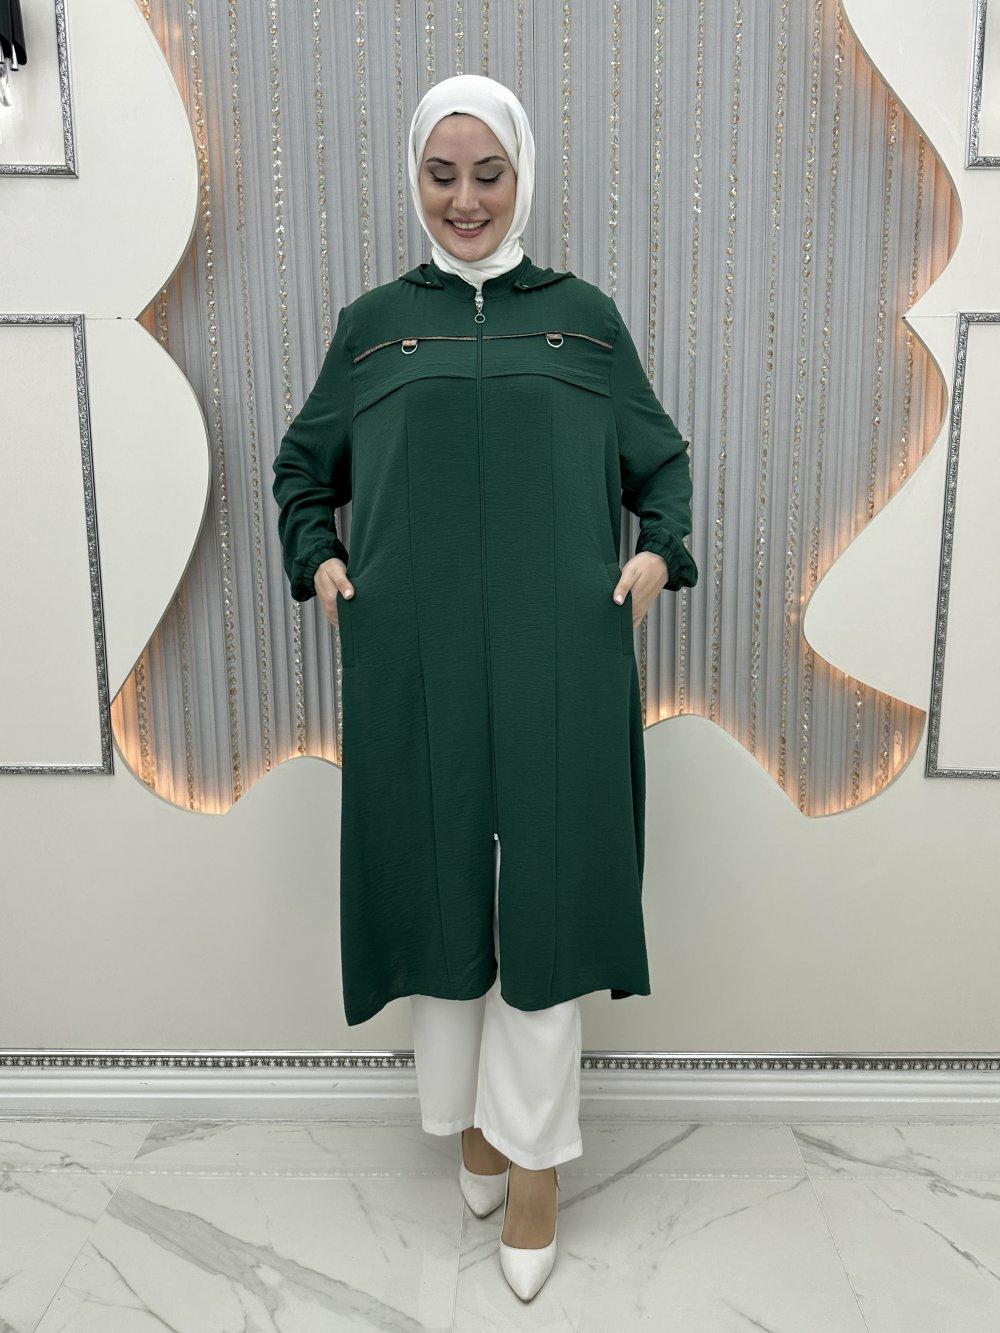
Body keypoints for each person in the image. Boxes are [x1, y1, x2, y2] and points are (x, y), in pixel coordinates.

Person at [271, 73, 698, 1301]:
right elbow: (303, 467)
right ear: (416, 178)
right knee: (435, 876)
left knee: (549, 894)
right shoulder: (373, 325)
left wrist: (658, 553)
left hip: (564, 646)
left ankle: (535, 1160)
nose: (465, 199)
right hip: (413, 652)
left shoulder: (582, 319)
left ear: (521, 176)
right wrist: (321, 559)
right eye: (441, 174)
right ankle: (467, 1116)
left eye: (488, 174)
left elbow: (659, 462)